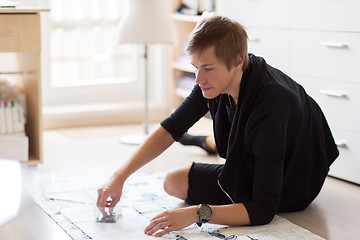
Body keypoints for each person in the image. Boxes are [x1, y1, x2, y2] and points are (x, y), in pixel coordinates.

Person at [97, 16, 339, 237]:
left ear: (237, 61)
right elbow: (171, 128)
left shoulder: (273, 102)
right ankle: (205, 144)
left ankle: (206, 148)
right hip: (255, 164)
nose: (199, 78)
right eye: (196, 67)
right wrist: (119, 177)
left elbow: (264, 210)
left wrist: (196, 213)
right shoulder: (214, 82)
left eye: (208, 68)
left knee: (241, 202)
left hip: (293, 183)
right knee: (173, 182)